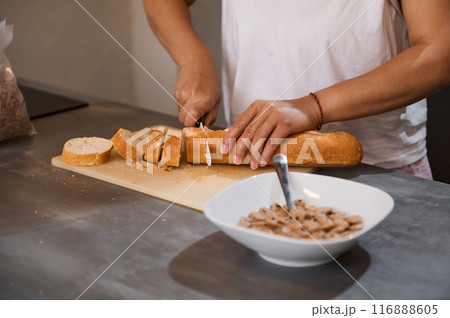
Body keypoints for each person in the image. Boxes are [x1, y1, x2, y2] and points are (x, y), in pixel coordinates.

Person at [143, 0, 450, 179]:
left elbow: (440, 51)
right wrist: (194, 60)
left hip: (375, 170)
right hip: (251, 163)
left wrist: (313, 107)